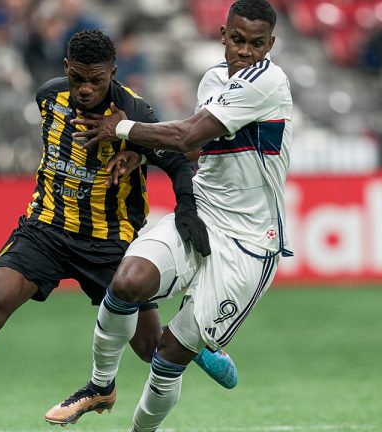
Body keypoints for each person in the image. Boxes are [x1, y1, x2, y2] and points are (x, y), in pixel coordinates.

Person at [0, 29, 236, 432]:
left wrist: (185, 209)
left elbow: (178, 160)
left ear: (113, 72)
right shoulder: (47, 97)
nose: (86, 89)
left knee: (149, 349)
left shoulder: (134, 113)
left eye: (97, 80)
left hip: (110, 242)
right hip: (46, 230)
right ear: (65, 70)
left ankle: (193, 345)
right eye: (78, 78)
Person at [43, 1, 293, 430]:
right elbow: (197, 146)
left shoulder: (267, 81)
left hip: (250, 243)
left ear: (270, 45)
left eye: (256, 44)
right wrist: (141, 156)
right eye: (237, 40)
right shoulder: (214, 78)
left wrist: (122, 129)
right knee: (127, 282)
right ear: (222, 34)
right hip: (204, 212)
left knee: (169, 355)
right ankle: (100, 386)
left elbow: (188, 133)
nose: (244, 51)